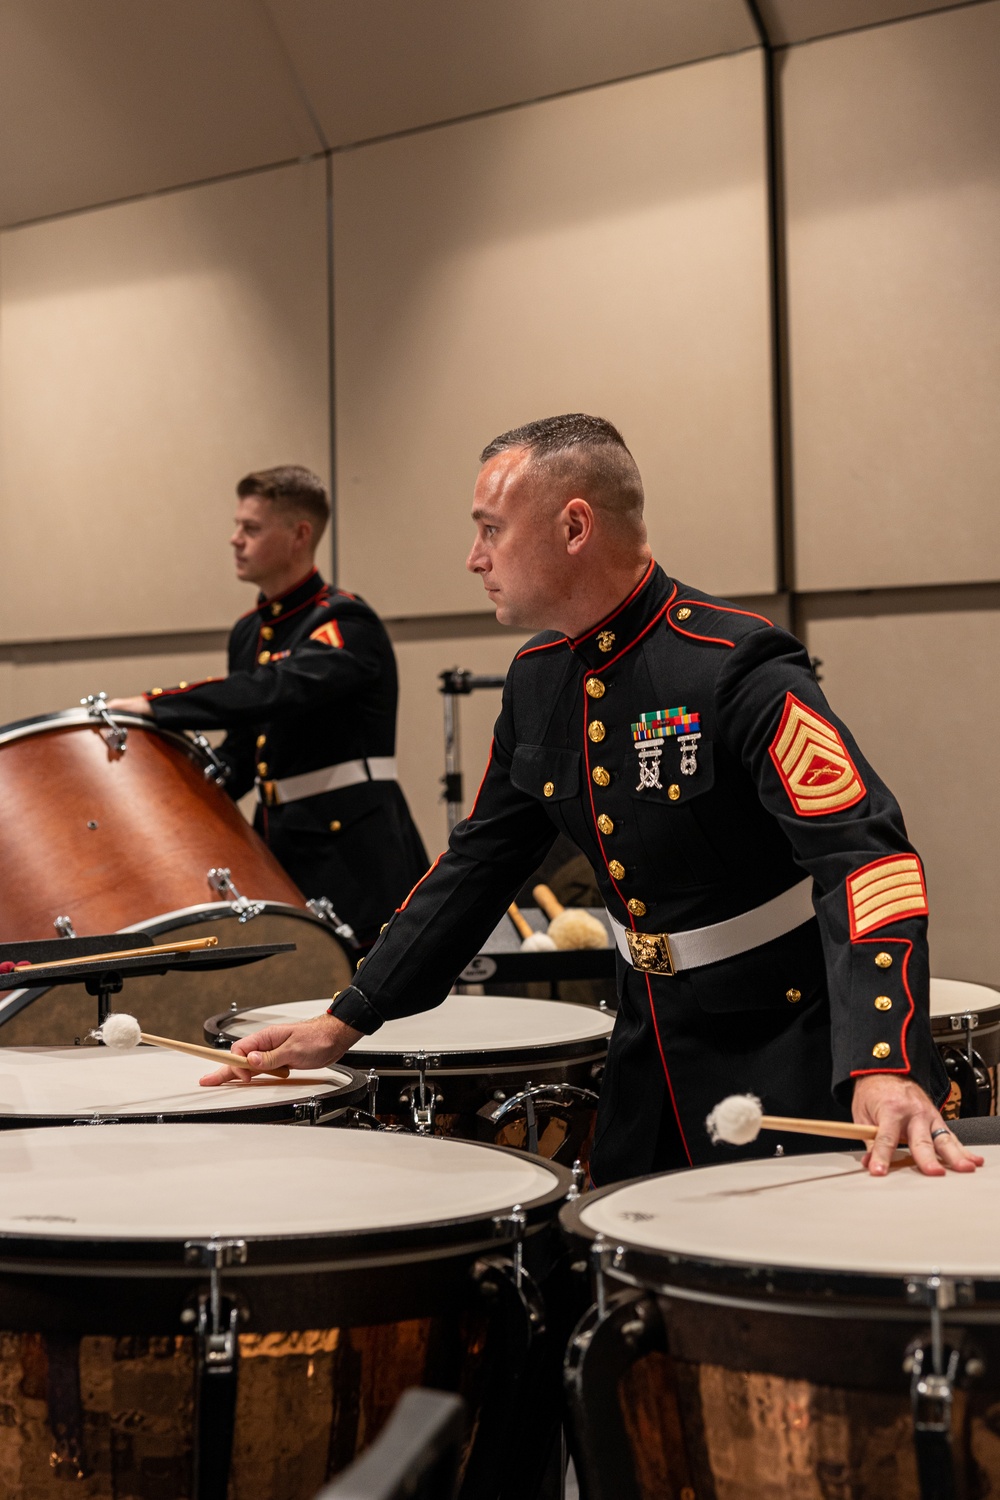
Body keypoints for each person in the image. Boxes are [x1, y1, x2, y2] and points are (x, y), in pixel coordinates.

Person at [200, 418, 982, 1183]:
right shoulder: (539, 681)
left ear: (575, 526)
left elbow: (866, 861)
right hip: (646, 1040)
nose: (473, 559)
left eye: (490, 530)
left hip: (785, 1040)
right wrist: (348, 1018)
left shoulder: (733, 666)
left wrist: (885, 1059)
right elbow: (478, 866)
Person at [109, 465, 428, 947]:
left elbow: (275, 688)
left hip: (354, 853)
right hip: (280, 846)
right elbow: (241, 752)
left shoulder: (345, 621)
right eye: (238, 526)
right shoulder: (249, 632)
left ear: (300, 534)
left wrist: (157, 704)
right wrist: (169, 814)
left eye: (251, 528)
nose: (235, 539)